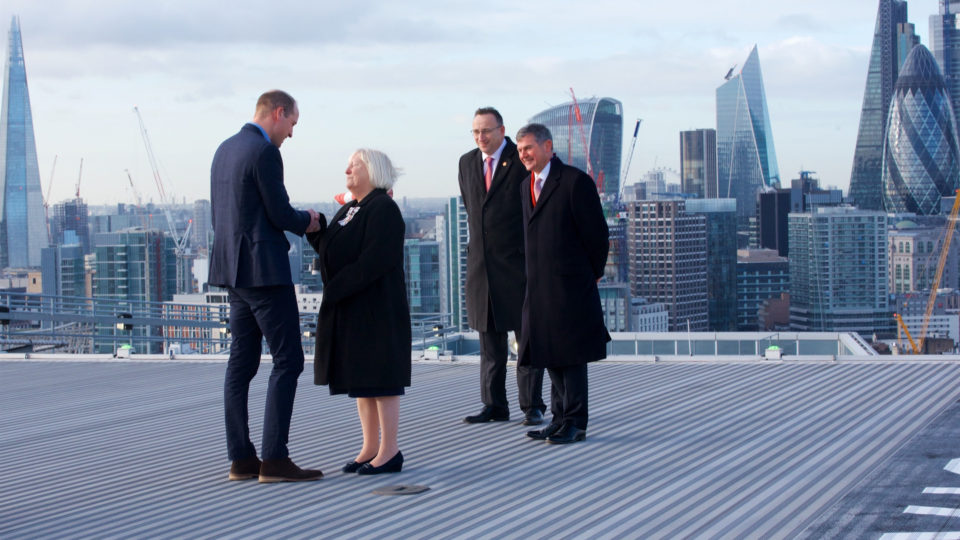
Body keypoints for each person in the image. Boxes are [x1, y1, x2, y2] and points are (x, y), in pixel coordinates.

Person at [209, 90, 324, 482]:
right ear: (278, 113)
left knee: (241, 363)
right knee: (288, 360)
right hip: (264, 273)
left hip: (231, 271)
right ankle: (274, 458)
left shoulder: (224, 149)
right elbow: (278, 212)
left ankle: (241, 458)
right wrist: (307, 219)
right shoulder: (264, 152)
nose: (291, 133)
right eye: (292, 123)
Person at [308, 148, 411, 475]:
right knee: (362, 381)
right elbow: (334, 251)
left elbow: (375, 261)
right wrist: (317, 233)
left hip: (377, 309)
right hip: (354, 308)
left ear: (374, 171)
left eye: (355, 165)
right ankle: (370, 446)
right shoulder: (351, 208)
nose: (347, 169)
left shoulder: (384, 208)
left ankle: (389, 450)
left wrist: (336, 289)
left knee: (381, 379)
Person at [515, 123, 610, 445]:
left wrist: (588, 274)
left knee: (571, 357)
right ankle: (558, 419)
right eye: (519, 150)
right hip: (539, 288)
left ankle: (575, 422)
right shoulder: (525, 185)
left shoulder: (574, 182)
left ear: (547, 146)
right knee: (550, 354)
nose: (523, 155)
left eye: (528, 147)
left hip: (571, 287)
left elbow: (598, 237)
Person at [458, 107, 545, 426]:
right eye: (476, 132)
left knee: (526, 343)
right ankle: (494, 405)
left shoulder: (520, 159)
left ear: (502, 130)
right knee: (489, 343)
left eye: (487, 131)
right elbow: (473, 210)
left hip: (519, 267)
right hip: (482, 268)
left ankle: (532, 405)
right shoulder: (467, 162)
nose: (481, 137)